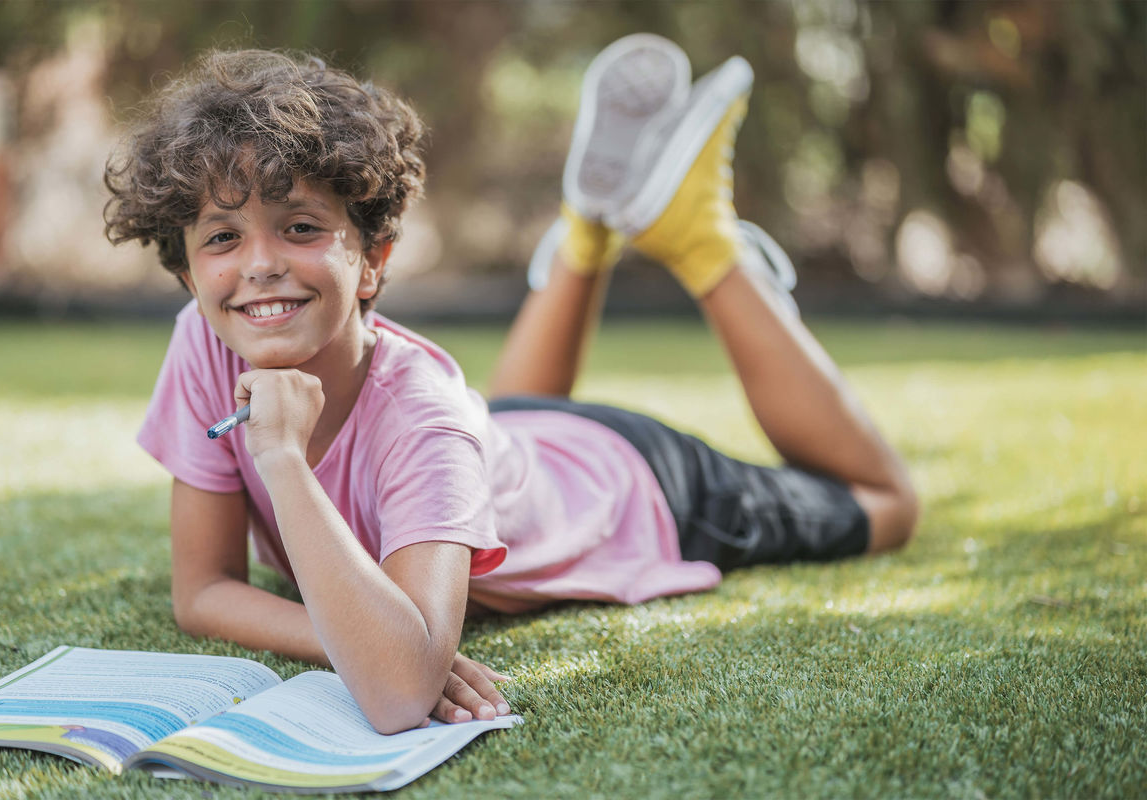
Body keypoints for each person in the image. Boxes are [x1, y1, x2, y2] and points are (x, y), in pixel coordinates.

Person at [104, 35, 917, 736]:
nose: (259, 265)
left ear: (373, 260)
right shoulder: (206, 342)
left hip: (638, 489)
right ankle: (590, 225)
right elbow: (203, 589)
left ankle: (696, 234)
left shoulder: (420, 414)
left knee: (887, 505)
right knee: (480, 427)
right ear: (186, 272)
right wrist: (363, 637)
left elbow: (399, 689)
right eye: (221, 238)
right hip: (509, 442)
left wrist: (281, 458)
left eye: (303, 227)